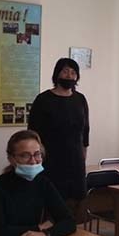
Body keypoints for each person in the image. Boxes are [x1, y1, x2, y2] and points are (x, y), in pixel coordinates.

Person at [0, 130, 76, 236]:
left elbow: (69, 221)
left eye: (37, 154)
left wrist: (46, 235)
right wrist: (39, 228)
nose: (33, 161)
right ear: (11, 159)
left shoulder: (43, 183)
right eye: (25, 155)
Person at [28, 58, 89, 213]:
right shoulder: (43, 99)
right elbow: (33, 133)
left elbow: (85, 130)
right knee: (52, 203)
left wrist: (83, 154)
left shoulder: (80, 99)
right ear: (57, 74)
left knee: (75, 205)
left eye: (73, 72)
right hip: (50, 161)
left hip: (75, 162)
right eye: (65, 71)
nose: (69, 75)